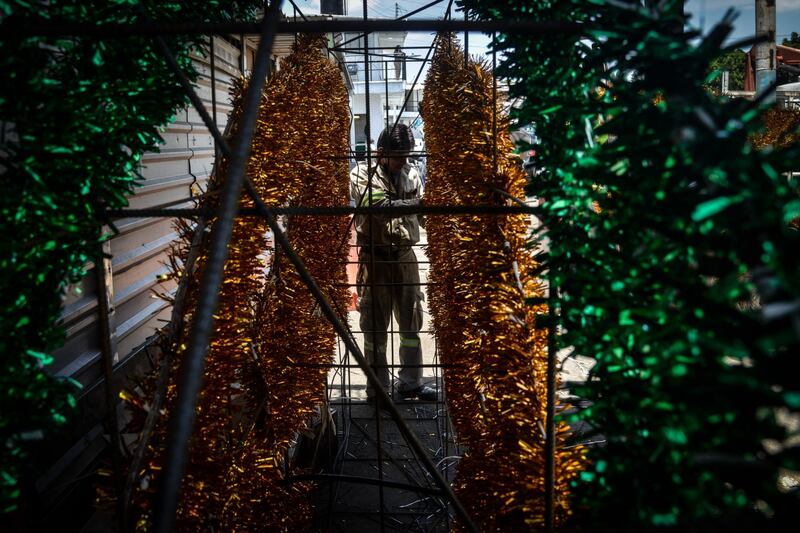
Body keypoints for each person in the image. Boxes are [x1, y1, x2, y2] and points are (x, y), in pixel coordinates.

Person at [349, 124, 436, 404]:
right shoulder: (361, 174)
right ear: (381, 152)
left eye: (407, 155)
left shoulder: (411, 173)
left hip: (405, 258)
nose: (403, 161)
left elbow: (424, 217)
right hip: (376, 260)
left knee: (411, 323)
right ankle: (378, 389)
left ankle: (411, 383)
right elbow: (379, 207)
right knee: (375, 328)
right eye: (398, 156)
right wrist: (420, 205)